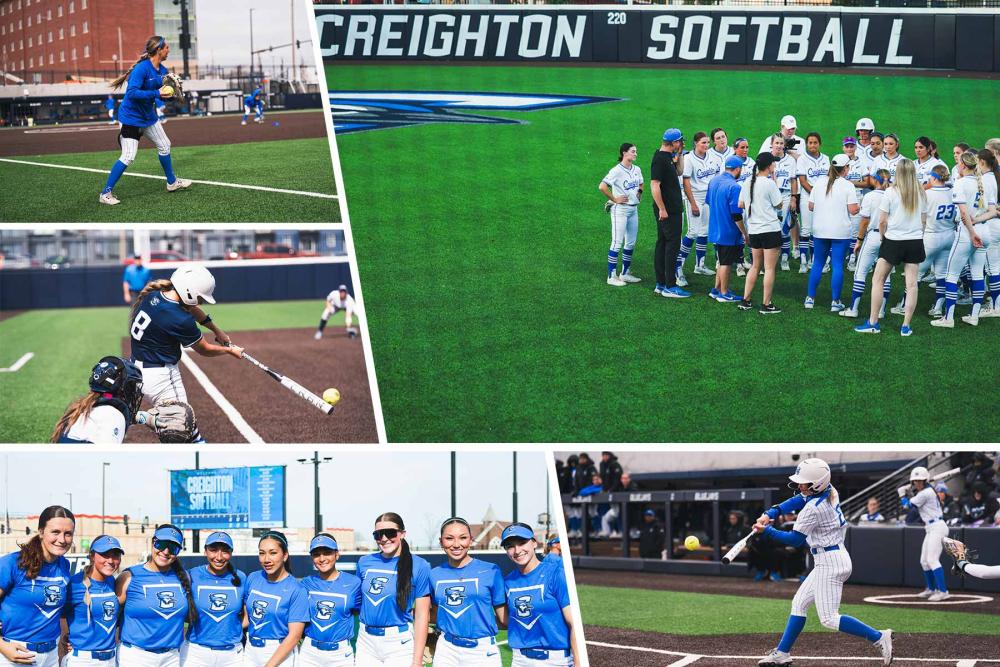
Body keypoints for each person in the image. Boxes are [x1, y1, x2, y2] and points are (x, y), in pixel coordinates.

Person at [753, 459, 892, 666]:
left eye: (805, 482)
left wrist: (768, 531)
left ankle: (879, 637)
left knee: (829, 618)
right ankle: (782, 653)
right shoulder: (829, 490)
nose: (800, 485)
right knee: (799, 604)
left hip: (830, 563)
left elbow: (795, 540)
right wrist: (771, 513)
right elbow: (798, 499)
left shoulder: (813, 509)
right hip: (830, 557)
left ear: (817, 484)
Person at [129, 265, 244, 442]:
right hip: (161, 378)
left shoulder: (154, 295)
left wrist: (216, 330)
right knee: (183, 430)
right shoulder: (180, 319)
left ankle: (146, 418)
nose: (200, 302)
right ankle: (147, 419)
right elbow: (204, 349)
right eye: (199, 297)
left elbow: (192, 308)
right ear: (188, 292)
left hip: (136, 368)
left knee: (183, 428)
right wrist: (230, 351)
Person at [99, 36, 191, 205]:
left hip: (148, 117)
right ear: (158, 50)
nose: (169, 50)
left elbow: (161, 94)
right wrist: (157, 93)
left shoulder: (162, 70)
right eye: (166, 47)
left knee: (165, 145)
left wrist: (172, 96)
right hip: (131, 119)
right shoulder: (142, 69)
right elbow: (132, 93)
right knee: (128, 156)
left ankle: (171, 182)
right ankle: (105, 193)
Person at [855, 159, 928, 336]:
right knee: (912, 285)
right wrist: (917, 234)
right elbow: (924, 220)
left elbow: (882, 221)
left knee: (878, 280)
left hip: (893, 240)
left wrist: (883, 237)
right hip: (914, 240)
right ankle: (906, 326)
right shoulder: (921, 193)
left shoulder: (890, 192)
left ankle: (873, 322)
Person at [0, 506, 75, 667]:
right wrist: (2, 646)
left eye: (68, 533)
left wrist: (69, 637)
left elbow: (58, 611)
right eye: (55, 532)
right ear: (41, 532)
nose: (62, 539)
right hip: (14, 654)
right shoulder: (12, 563)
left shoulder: (64, 565)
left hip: (51, 656)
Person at [930, 150, 997, 328]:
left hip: (967, 234)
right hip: (985, 232)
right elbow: (992, 212)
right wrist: (977, 221)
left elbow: (964, 213)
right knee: (978, 274)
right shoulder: (986, 182)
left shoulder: (961, 183)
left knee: (951, 275)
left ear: (964, 165)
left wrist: (972, 230)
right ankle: (974, 316)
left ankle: (948, 318)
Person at [356, 512, 432, 667]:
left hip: (399, 643)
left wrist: (417, 661)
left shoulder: (420, 565)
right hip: (365, 641)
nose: (384, 538)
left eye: (390, 533)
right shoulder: (364, 562)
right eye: (378, 534)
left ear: (402, 534)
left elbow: (422, 616)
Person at [116, 524, 197, 667]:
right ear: (153, 542)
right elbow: (106, 614)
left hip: (171, 657)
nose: (165, 551)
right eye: (161, 544)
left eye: (172, 548)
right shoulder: (129, 576)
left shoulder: (184, 577)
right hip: (135, 657)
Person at [429, 518, 506, 667]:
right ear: (441, 542)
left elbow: (504, 618)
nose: (456, 544)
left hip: (482, 651)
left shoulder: (491, 570)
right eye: (449, 538)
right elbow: (436, 614)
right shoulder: (434, 574)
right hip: (446, 650)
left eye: (463, 538)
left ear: (471, 540)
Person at [501, 524, 578, 666]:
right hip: (519, 661)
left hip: (556, 661)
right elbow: (505, 621)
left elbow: (574, 624)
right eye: (510, 546)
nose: (517, 550)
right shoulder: (507, 582)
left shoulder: (556, 574)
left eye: (522, 542)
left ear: (534, 543)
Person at [182, 532, 247, 667]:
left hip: (232, 655)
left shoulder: (241, 577)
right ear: (205, 551)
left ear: (231, 553)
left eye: (225, 551)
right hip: (195, 653)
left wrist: (228, 629)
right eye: (213, 550)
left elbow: (248, 616)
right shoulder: (192, 575)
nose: (219, 556)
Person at [243, 531, 308, 667]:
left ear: (285, 555)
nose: (266, 559)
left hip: (280, 653)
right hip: (250, 651)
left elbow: (294, 636)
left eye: (273, 553)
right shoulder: (253, 578)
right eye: (262, 553)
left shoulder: (297, 589)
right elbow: (248, 618)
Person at [805, 154, 859, 312]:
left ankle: (810, 298)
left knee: (817, 263)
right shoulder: (848, 185)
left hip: (820, 229)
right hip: (840, 231)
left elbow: (810, 206)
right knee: (837, 265)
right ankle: (835, 302)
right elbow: (853, 210)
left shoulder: (819, 182)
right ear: (845, 168)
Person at [299, 534, 361, 667]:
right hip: (309, 653)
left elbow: (360, 615)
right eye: (316, 554)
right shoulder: (305, 583)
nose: (322, 559)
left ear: (337, 554)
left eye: (327, 553)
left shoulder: (354, 583)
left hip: (341, 654)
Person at [62, 535, 124, 667]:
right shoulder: (75, 584)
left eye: (115, 555)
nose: (110, 560)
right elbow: (59, 614)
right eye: (105, 555)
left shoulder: (112, 582)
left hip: (111, 659)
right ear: (92, 556)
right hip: (83, 660)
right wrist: (67, 637)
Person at [51, 356, 144, 443]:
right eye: (130, 386)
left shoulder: (83, 407)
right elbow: (108, 454)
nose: (132, 392)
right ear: (120, 388)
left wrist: (146, 418)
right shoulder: (114, 415)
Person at [841, 169, 892, 319]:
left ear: (875, 180)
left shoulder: (869, 196)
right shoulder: (894, 196)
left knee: (860, 272)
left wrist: (859, 240)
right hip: (889, 237)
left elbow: (864, 222)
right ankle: (881, 311)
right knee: (886, 275)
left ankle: (853, 309)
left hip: (873, 236)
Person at [737, 156, 785, 313]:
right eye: (773, 163)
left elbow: (740, 204)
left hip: (754, 230)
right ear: (769, 166)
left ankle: (746, 300)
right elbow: (779, 205)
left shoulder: (747, 182)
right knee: (769, 269)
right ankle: (766, 304)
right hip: (770, 229)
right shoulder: (769, 183)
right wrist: (775, 184)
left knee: (755, 266)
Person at [897, 467, 950, 601]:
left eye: (920, 480)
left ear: (925, 480)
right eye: (915, 481)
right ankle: (931, 589)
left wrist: (902, 494)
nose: (917, 483)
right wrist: (910, 490)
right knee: (924, 561)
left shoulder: (926, 493)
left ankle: (943, 591)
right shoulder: (926, 491)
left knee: (932, 560)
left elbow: (907, 506)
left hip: (937, 527)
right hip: (931, 527)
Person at [676, 131, 720, 282]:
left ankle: (699, 265)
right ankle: (678, 266)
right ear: (695, 143)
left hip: (708, 197)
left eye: (708, 142)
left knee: (704, 231)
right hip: (694, 197)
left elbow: (715, 179)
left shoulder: (712, 157)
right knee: (693, 232)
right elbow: (686, 182)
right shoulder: (688, 159)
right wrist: (693, 203)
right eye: (703, 142)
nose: (706, 145)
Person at [651, 129, 690, 297]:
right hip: (668, 210)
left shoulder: (667, 156)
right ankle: (670, 286)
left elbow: (679, 172)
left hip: (669, 209)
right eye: (680, 141)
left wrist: (680, 154)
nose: (682, 143)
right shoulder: (660, 159)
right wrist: (662, 208)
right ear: (673, 142)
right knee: (672, 245)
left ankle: (661, 284)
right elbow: (654, 185)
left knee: (663, 243)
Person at [599, 143, 644, 286]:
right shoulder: (616, 170)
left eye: (636, 151)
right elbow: (602, 186)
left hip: (633, 210)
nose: (635, 154)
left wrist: (639, 192)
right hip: (620, 210)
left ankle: (624, 274)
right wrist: (614, 199)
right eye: (633, 151)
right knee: (617, 242)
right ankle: (611, 276)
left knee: (630, 242)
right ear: (624, 153)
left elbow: (641, 183)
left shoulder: (637, 169)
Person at [706, 156, 748, 302]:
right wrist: (744, 233)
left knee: (721, 260)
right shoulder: (735, 187)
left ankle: (716, 289)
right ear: (738, 169)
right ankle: (724, 293)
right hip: (728, 231)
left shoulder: (713, 181)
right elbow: (736, 215)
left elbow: (709, 202)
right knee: (726, 263)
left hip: (715, 228)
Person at [919, 166, 959, 317]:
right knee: (942, 274)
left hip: (931, 237)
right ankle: (937, 308)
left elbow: (922, 219)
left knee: (916, 273)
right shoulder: (953, 191)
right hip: (949, 235)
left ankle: (904, 305)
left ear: (934, 178)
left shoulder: (927, 194)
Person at [795, 133, 831, 273]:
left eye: (815, 142)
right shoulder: (802, 159)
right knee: (806, 229)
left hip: (823, 198)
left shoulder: (826, 158)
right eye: (810, 142)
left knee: (818, 229)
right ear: (806, 144)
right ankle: (803, 260)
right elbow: (803, 181)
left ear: (819, 144)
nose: (812, 145)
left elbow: (829, 178)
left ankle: (814, 259)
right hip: (807, 197)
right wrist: (815, 194)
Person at [769, 135, 799, 272]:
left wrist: (793, 198)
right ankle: (771, 257)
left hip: (785, 195)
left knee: (785, 228)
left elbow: (793, 180)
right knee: (771, 227)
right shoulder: (766, 158)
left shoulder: (790, 160)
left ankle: (785, 258)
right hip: (769, 197)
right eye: (776, 143)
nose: (779, 146)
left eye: (781, 143)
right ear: (772, 144)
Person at [842, 137, 871, 271]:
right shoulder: (839, 160)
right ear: (843, 147)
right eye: (847, 146)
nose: (849, 148)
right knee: (842, 228)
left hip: (857, 197)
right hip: (841, 198)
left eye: (851, 146)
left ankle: (853, 258)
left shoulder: (862, 162)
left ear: (855, 147)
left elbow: (867, 182)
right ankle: (842, 254)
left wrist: (850, 183)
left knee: (855, 229)